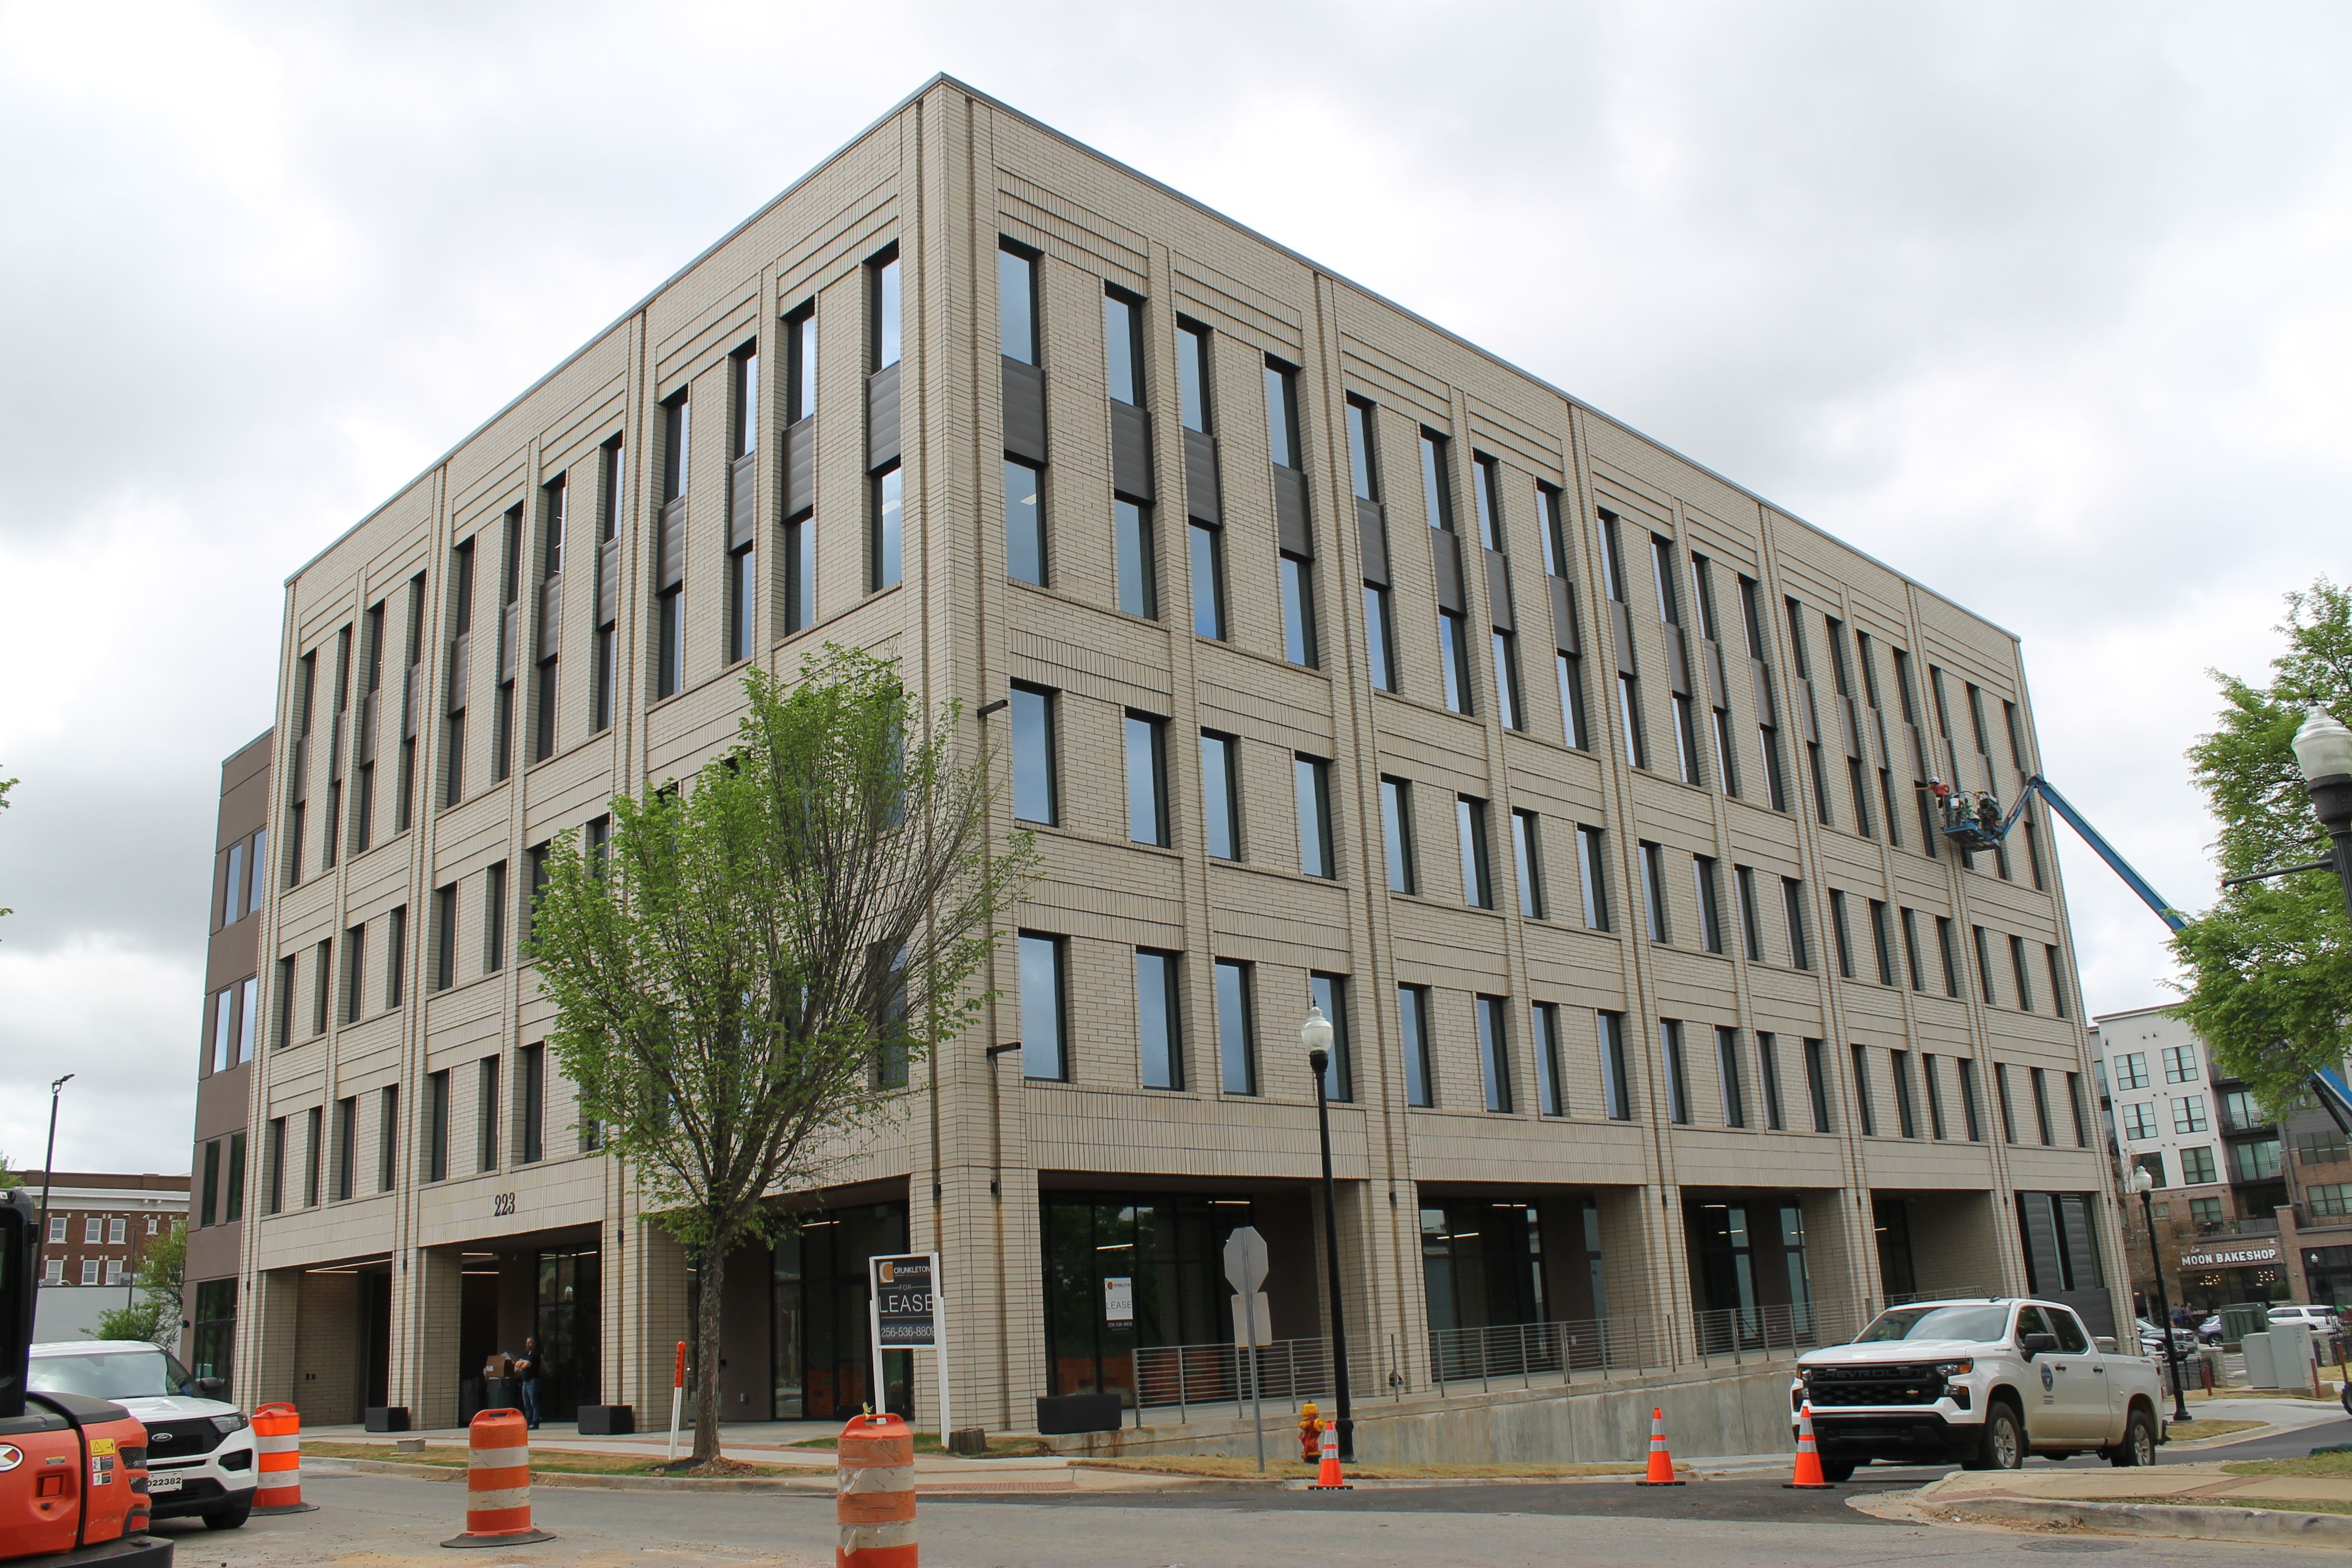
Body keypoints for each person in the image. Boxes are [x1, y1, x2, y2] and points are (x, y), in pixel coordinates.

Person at [511, 1336, 542, 1429]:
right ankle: (528, 1422)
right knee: (527, 1404)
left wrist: (524, 1363)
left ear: (534, 1344)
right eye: (527, 1343)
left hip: (533, 1381)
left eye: (530, 1343)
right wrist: (523, 1362)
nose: (528, 1344)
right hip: (525, 1382)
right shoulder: (526, 1354)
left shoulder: (536, 1354)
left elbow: (527, 1365)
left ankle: (535, 1422)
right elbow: (518, 1364)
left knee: (534, 1403)